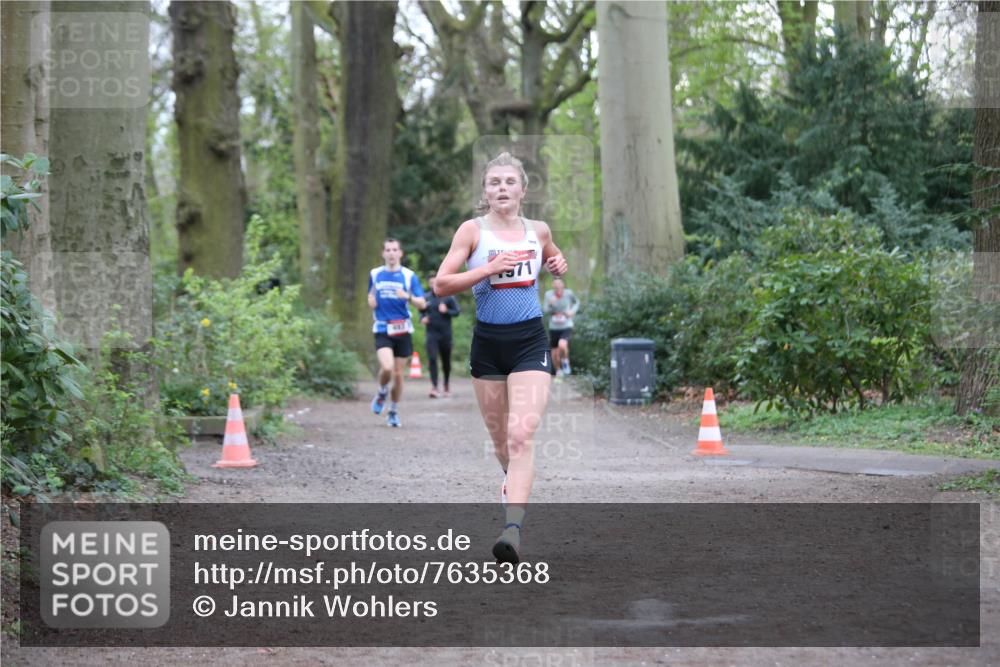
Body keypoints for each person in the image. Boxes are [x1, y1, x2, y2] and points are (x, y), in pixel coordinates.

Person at [434, 152, 568, 564]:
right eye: (494, 182)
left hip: (529, 340)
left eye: (510, 181)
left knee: (520, 435)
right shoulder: (471, 232)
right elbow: (441, 284)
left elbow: (554, 260)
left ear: (523, 190)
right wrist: (488, 269)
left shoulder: (538, 230)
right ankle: (511, 482)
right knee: (501, 443)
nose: (502, 188)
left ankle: (512, 529)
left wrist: (559, 264)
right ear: (486, 192)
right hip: (488, 345)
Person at [368, 238, 426, 428]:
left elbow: (422, 303)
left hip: (402, 330)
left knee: (399, 374)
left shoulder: (409, 276)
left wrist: (407, 297)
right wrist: (371, 301)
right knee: (387, 368)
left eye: (395, 250)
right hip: (383, 328)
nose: (391, 253)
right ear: (383, 253)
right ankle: (382, 391)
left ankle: (393, 410)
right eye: (388, 250)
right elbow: (370, 294)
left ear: (400, 253)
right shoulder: (375, 274)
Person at [419, 275, 460, 398]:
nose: (433, 285)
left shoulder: (449, 297)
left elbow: (457, 312)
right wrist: (422, 318)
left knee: (445, 361)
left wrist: (446, 311)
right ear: (429, 284)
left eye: (434, 282)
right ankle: (434, 387)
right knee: (432, 359)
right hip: (431, 334)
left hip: (445, 334)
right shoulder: (426, 297)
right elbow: (421, 311)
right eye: (431, 283)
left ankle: (446, 384)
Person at [543, 278, 580, 377]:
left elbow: (577, 302)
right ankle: (559, 371)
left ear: (563, 285)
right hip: (554, 327)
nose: (557, 285)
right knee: (554, 354)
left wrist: (572, 311)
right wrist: (550, 304)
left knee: (562, 345)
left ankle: (565, 363)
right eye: (555, 283)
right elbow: (545, 309)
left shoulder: (568, 293)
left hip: (566, 325)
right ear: (553, 285)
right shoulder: (548, 295)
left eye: (559, 283)